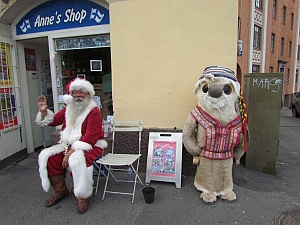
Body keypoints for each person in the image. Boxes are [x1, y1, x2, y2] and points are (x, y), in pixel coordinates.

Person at [35, 78, 107, 214]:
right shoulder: (68, 108)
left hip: (90, 145)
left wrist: (70, 153)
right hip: (68, 145)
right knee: (49, 157)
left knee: (77, 160)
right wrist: (44, 112)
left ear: (88, 94)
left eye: (82, 92)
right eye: (75, 92)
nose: (78, 95)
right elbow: (54, 120)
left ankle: (82, 196)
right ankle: (61, 190)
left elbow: (90, 138)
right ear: (70, 94)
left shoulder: (94, 111)